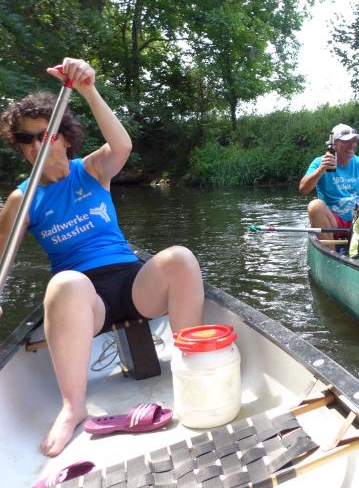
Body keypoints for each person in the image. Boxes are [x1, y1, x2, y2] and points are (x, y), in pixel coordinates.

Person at [0, 58, 205, 456]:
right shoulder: (21, 199)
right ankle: (72, 407)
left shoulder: (92, 170)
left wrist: (88, 88)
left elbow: (123, 146)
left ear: (64, 139)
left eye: (46, 134)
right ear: (20, 146)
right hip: (84, 302)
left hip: (133, 284)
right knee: (65, 283)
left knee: (180, 258)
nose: (37, 144)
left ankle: (190, 367)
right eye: (27, 139)